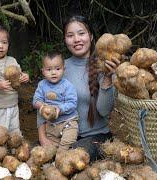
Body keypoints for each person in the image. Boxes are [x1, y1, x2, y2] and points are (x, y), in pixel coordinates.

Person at [37, 15, 121, 161]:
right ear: (65, 39)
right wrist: (43, 137)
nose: (76, 39)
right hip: (61, 135)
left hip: (95, 137)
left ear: (91, 36)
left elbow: (104, 110)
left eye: (81, 33)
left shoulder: (103, 67)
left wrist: (108, 77)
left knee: (72, 157)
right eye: (70, 35)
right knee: (36, 153)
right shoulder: (58, 69)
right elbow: (43, 105)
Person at [33, 52, 79, 150]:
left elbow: (72, 103)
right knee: (50, 148)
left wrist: (60, 109)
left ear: (63, 69)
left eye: (58, 69)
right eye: (49, 69)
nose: (53, 72)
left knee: (65, 145)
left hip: (68, 122)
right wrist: (42, 107)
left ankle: (61, 156)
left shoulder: (67, 86)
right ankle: (55, 158)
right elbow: (36, 100)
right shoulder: (42, 85)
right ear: (43, 71)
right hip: (51, 125)